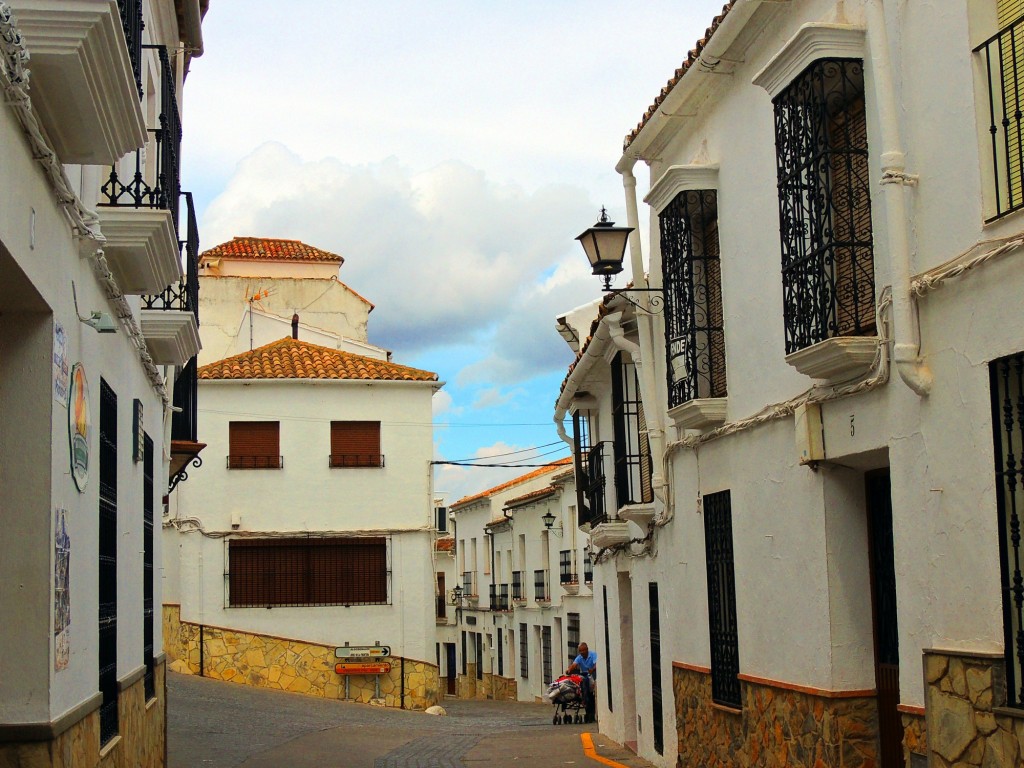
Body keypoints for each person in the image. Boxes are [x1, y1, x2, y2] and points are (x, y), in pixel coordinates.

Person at [566, 642, 598, 722]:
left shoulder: (593, 655)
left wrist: (592, 669)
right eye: (580, 651)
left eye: (583, 650)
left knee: (591, 695)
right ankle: (584, 699)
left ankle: (591, 712)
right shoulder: (579, 657)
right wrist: (569, 669)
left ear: (586, 649)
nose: (582, 653)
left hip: (593, 674)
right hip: (585, 676)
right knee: (582, 682)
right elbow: (574, 664)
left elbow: (596, 664)